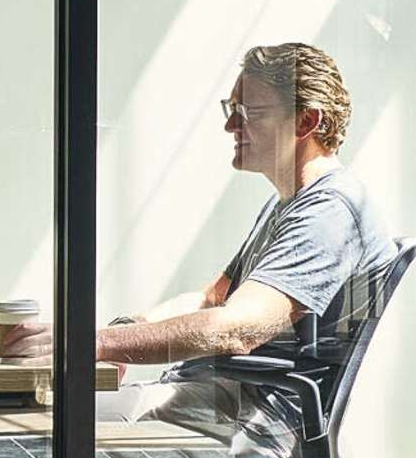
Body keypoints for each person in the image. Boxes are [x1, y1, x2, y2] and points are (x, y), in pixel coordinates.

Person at [100, 40, 387, 371]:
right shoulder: (288, 204)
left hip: (245, 403)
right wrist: (121, 331)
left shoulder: (329, 214)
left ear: (305, 121)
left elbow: (236, 328)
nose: (230, 126)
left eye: (249, 112)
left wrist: (98, 345)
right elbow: (211, 299)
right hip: (212, 393)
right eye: (232, 109)